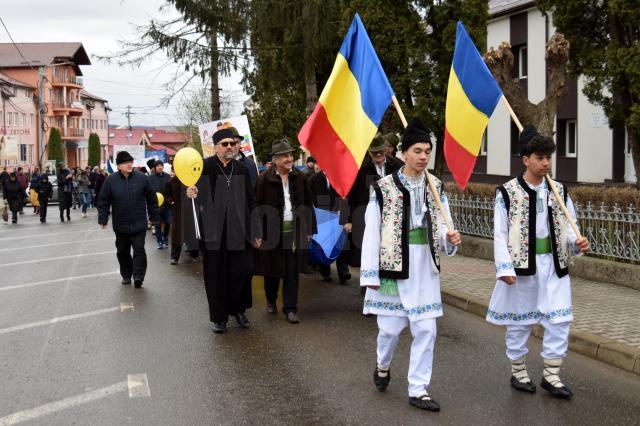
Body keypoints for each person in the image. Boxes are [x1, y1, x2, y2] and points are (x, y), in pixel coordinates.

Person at [360, 118, 461, 412]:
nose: (423, 156)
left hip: (424, 270)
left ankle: (418, 388)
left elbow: (443, 224)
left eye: (427, 151)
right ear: (403, 153)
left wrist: (449, 237)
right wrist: (370, 274)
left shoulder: (436, 186)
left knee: (426, 330)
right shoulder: (383, 188)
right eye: (417, 150)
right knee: (390, 331)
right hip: (393, 270)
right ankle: (382, 364)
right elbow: (372, 232)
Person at [487, 125, 589, 399]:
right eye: (540, 158)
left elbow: (570, 227)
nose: (545, 163)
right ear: (526, 159)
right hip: (522, 268)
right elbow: (499, 234)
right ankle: (518, 370)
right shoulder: (507, 193)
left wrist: (576, 243)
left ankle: (552, 375)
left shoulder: (559, 191)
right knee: (520, 321)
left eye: (548, 158)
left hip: (554, 266)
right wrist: (504, 267)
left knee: (559, 319)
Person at [186, 128, 261, 333]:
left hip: (240, 232)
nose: (230, 147)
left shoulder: (242, 168)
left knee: (245, 270)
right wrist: (191, 193)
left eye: (233, 143)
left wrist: (256, 231)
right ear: (216, 147)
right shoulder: (205, 167)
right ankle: (219, 317)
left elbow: (251, 201)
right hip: (214, 234)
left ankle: (239, 310)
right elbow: (194, 196)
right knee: (216, 275)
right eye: (225, 144)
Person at [255, 138, 316, 324]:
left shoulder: (300, 177)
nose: (289, 159)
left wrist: (308, 229)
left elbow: (307, 203)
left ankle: (290, 308)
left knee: (292, 270)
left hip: (294, 231)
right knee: (271, 270)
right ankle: (271, 299)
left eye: (290, 155)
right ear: (275, 160)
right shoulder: (263, 179)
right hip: (271, 233)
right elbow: (255, 207)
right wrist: (257, 232)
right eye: (284, 156)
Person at [341, 133, 403, 269]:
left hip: (392, 217)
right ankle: (367, 286)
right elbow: (349, 195)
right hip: (366, 218)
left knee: (389, 253)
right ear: (369, 152)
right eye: (374, 153)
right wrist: (347, 219)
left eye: (381, 151)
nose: (379, 155)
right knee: (368, 253)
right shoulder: (360, 169)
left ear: (386, 148)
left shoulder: (398, 166)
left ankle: (386, 283)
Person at [98, 151, 159, 288]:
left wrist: (154, 216)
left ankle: (138, 276)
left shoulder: (142, 178)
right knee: (122, 252)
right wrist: (103, 219)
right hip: (121, 224)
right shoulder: (111, 180)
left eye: (131, 162)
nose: (129, 164)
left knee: (139, 250)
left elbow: (152, 199)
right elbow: (103, 200)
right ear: (119, 166)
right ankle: (126, 274)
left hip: (139, 223)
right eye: (126, 162)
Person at [308, 164, 350, 284]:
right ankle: (325, 272)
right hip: (321, 218)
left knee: (341, 243)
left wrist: (345, 215)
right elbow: (309, 200)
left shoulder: (340, 178)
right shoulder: (313, 180)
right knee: (323, 245)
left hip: (338, 216)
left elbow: (345, 197)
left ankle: (343, 272)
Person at [148, 160, 172, 249]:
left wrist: (171, 200)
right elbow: (148, 191)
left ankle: (165, 237)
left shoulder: (167, 176)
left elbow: (171, 189)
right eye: (158, 166)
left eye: (161, 165)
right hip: (156, 205)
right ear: (155, 167)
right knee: (157, 224)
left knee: (168, 222)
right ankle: (159, 241)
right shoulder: (150, 178)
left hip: (167, 204)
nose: (160, 167)